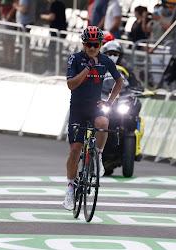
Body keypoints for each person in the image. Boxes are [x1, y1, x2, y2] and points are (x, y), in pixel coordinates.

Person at [63, 26, 123, 210]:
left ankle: (98, 156)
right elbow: (71, 85)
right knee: (75, 149)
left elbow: (118, 80)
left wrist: (110, 102)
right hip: (78, 109)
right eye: (88, 44)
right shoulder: (75, 58)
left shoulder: (105, 61)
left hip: (95, 108)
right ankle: (70, 189)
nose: (92, 48)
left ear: (100, 45)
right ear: (83, 43)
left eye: (95, 44)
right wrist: (87, 68)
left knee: (104, 122)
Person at [40, 0, 67, 75]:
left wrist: (42, 16)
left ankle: (51, 70)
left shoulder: (54, 4)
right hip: (61, 32)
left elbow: (51, 17)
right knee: (58, 52)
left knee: (52, 51)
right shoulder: (61, 4)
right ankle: (57, 69)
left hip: (56, 33)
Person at [0, 0, 16, 66]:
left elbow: (16, 4)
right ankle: (5, 60)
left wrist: (10, 15)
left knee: (10, 41)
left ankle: (11, 61)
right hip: (4, 19)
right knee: (4, 40)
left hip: (10, 20)